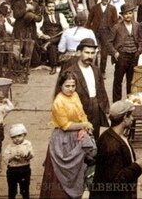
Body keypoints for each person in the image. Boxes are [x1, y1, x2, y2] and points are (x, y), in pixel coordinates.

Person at [40, 71, 97, 199]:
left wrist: (86, 125)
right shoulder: (58, 102)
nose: (71, 89)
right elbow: (65, 126)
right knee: (62, 174)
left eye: (73, 85)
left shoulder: (75, 95)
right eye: (67, 86)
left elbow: (81, 113)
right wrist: (84, 125)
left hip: (78, 136)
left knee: (79, 170)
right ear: (60, 86)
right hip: (63, 140)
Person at [91, 100, 142, 198]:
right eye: (130, 116)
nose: (132, 118)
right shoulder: (112, 146)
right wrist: (137, 166)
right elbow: (116, 182)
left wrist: (133, 160)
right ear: (124, 118)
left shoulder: (109, 135)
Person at [65, 38, 111, 138]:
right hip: (79, 108)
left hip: (95, 107)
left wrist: (106, 109)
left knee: (94, 137)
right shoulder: (71, 72)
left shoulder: (96, 70)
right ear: (79, 52)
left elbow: (102, 90)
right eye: (86, 53)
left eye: (92, 53)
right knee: (79, 139)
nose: (89, 56)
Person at [106, 3, 142, 101]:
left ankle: (130, 103)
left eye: (130, 13)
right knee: (118, 81)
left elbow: (141, 40)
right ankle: (117, 104)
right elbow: (108, 42)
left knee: (131, 81)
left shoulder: (137, 25)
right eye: (126, 14)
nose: (128, 16)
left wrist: (139, 50)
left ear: (133, 14)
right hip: (122, 56)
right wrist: (115, 53)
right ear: (122, 16)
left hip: (134, 56)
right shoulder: (117, 27)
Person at [87, 0, 120, 73]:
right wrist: (86, 31)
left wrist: (115, 33)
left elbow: (115, 22)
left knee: (104, 54)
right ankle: (95, 70)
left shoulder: (112, 8)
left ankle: (102, 71)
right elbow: (89, 20)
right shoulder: (94, 8)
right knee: (95, 52)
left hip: (107, 33)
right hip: (96, 32)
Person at [36, 0, 69, 75]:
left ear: (55, 7)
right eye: (49, 7)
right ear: (47, 8)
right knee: (52, 46)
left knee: (62, 36)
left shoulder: (60, 15)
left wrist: (62, 34)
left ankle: (48, 43)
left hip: (59, 36)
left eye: (53, 6)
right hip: (48, 37)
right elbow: (37, 28)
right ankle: (54, 66)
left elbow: (66, 27)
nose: (51, 8)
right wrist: (42, 35)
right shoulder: (42, 17)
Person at [3, 123, 32, 199]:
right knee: (12, 189)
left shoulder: (27, 144)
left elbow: (31, 154)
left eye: (19, 136)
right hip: (12, 170)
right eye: (14, 137)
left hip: (25, 168)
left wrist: (28, 155)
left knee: (25, 189)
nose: (17, 138)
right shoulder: (9, 146)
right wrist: (12, 156)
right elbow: (5, 157)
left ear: (24, 135)